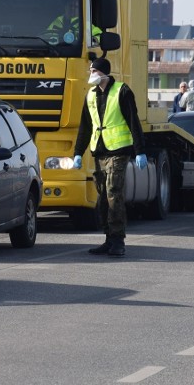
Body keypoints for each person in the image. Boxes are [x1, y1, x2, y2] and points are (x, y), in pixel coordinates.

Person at [72, 57, 147, 257]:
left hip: (118, 152)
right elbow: (85, 127)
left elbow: (133, 122)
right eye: (90, 71)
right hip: (100, 152)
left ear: (104, 73)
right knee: (103, 197)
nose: (90, 74)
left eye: (93, 71)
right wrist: (78, 153)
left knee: (114, 193)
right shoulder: (90, 95)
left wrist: (140, 151)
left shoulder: (122, 91)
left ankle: (118, 240)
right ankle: (108, 238)